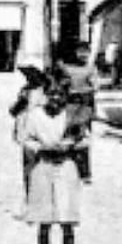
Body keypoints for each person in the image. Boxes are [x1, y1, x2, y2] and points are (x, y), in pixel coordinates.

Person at [19, 84, 86, 244]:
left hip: (66, 166)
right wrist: (41, 147)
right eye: (52, 95)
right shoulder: (35, 116)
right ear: (46, 96)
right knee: (44, 220)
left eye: (60, 95)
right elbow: (24, 139)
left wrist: (71, 145)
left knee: (67, 220)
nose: (56, 99)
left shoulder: (72, 116)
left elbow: (86, 140)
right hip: (43, 165)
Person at [51, 40, 99, 182]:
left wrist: (84, 90)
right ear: (75, 52)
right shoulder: (66, 68)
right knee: (65, 138)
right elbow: (57, 85)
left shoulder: (91, 69)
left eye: (86, 52)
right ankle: (62, 171)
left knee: (82, 139)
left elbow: (95, 86)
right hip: (69, 107)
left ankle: (84, 173)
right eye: (80, 51)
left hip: (85, 106)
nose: (83, 55)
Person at [10, 64, 48, 192]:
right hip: (30, 128)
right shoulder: (33, 91)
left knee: (34, 161)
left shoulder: (36, 92)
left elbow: (15, 110)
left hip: (35, 128)